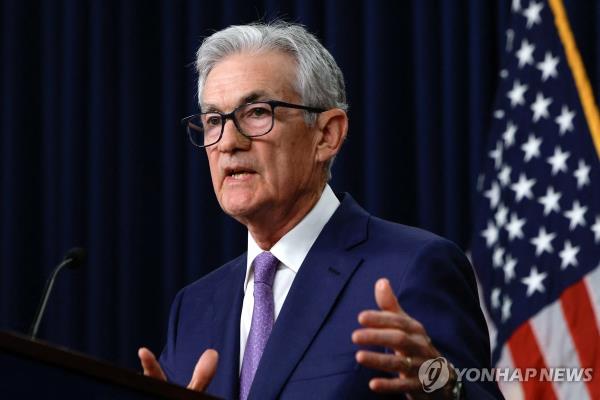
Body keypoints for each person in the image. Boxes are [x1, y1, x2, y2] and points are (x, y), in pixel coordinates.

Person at [138, 21, 503, 399]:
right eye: (214, 120)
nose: (228, 141)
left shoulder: (412, 268)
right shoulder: (194, 307)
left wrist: (443, 386)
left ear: (327, 135)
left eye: (258, 112)